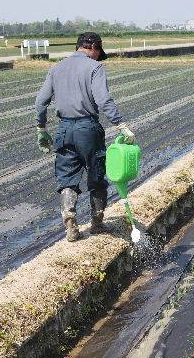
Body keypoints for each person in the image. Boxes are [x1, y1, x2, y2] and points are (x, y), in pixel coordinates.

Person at [35, 32, 135, 242]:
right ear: (94, 48)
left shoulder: (56, 68)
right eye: (99, 53)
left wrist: (41, 128)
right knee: (97, 175)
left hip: (63, 129)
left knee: (67, 178)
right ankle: (97, 224)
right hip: (87, 129)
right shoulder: (95, 67)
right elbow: (103, 100)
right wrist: (120, 124)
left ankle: (70, 221)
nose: (99, 57)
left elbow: (40, 101)